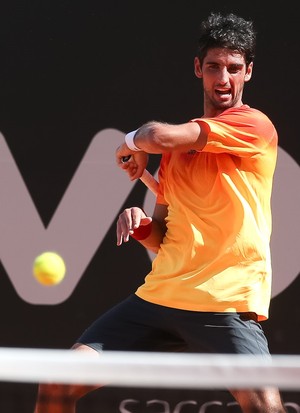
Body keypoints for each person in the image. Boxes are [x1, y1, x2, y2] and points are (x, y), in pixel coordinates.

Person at [34, 12, 287, 413]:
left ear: (248, 73)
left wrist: (130, 142)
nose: (223, 79)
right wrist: (140, 225)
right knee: (55, 384)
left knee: (266, 408)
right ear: (198, 69)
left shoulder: (254, 125)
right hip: (160, 299)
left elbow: (155, 136)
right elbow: (163, 235)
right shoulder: (175, 156)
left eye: (234, 69)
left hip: (224, 304)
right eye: (214, 67)